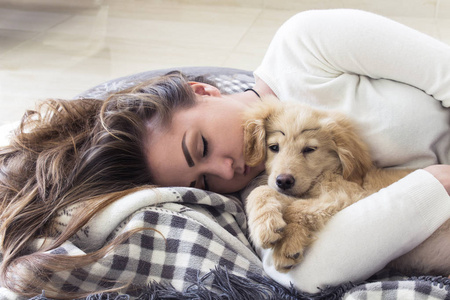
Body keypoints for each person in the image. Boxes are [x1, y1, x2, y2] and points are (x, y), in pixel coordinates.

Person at [1, 8, 450, 299]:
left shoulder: (305, 45)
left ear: (202, 90)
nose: (228, 168)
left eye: (202, 146)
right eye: (204, 182)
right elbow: (310, 275)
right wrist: (438, 184)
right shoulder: (268, 194)